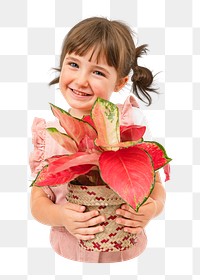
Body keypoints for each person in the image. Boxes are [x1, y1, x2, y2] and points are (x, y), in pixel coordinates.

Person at [29, 17, 167, 263]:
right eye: (73, 64)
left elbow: (155, 186)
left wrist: (151, 210)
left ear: (121, 82)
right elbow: (38, 201)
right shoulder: (50, 135)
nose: (81, 80)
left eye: (98, 72)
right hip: (66, 259)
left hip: (128, 258)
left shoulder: (128, 128)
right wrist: (60, 215)